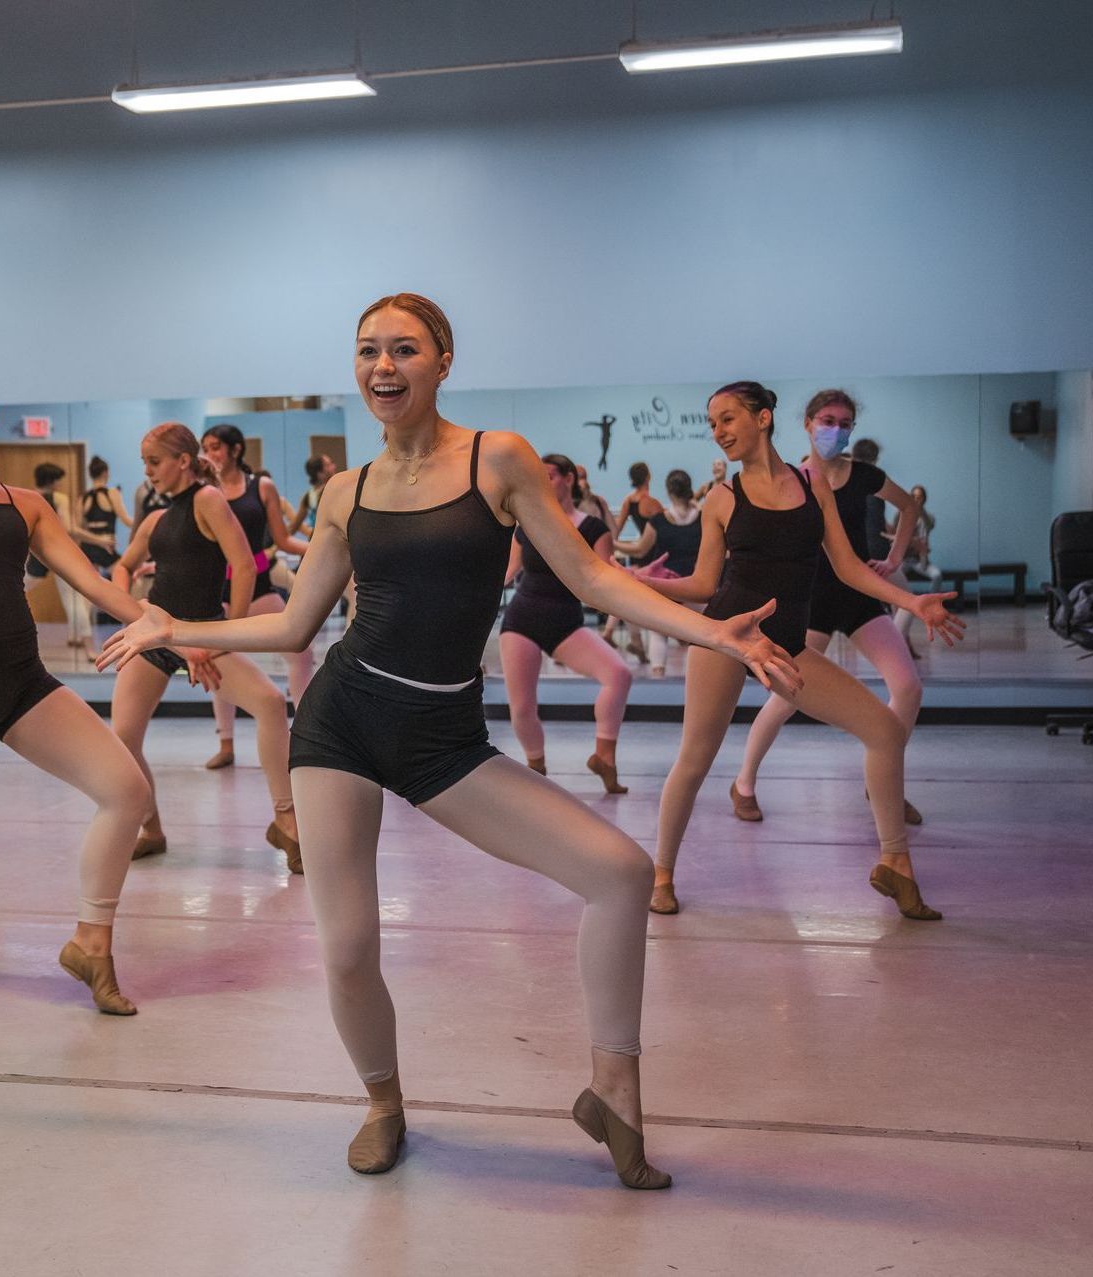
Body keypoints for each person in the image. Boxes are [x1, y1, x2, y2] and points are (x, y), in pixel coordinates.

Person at [100, 293, 798, 1184]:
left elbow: (589, 574)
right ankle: (384, 1103)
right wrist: (178, 628)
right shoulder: (346, 490)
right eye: (367, 351)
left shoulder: (494, 459)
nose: (382, 367)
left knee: (620, 875)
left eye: (403, 349)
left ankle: (612, 1088)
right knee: (349, 946)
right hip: (343, 722)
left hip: (443, 736)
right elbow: (294, 628)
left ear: (442, 361)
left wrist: (713, 631)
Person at [634, 381, 963, 918]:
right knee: (695, 760)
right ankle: (662, 872)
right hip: (727, 638)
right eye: (712, 423)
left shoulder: (813, 487)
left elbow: (848, 566)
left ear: (763, 418)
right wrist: (635, 581)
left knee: (882, 730)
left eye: (727, 419)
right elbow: (701, 586)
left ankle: (896, 863)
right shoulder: (722, 499)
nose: (718, 432)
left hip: (785, 643)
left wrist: (913, 601)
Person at [0, 366, 157, 1015]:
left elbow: (96, 586)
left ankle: (90, 944)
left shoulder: (26, 504)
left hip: (20, 680)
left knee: (126, 791)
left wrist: (169, 633)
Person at [109, 423, 302, 872]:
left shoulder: (208, 500)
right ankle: (150, 827)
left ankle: (286, 821)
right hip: (156, 639)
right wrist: (137, 610)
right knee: (123, 739)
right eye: (144, 463)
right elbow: (123, 565)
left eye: (153, 462)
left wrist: (222, 637)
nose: (147, 471)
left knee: (271, 703)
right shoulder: (156, 518)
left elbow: (244, 565)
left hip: (199, 635)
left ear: (181, 461)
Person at [733, 391, 931, 825]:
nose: (836, 430)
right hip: (810, 602)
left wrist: (895, 558)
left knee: (909, 688)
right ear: (807, 423)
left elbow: (910, 507)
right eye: (828, 420)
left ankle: (885, 778)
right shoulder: (793, 480)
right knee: (786, 699)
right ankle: (743, 782)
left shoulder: (864, 476)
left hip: (858, 596)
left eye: (845, 423)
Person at [500, 453, 632, 792]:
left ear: (569, 479)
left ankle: (605, 756)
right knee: (523, 706)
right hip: (522, 618)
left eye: (551, 476)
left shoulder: (593, 528)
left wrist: (638, 584)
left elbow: (602, 580)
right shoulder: (527, 523)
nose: (545, 483)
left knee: (618, 674)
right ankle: (536, 768)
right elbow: (507, 573)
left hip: (566, 622)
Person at [199, 424, 313, 772]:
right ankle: (226, 743)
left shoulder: (260, 487)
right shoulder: (203, 491)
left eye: (216, 447)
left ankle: (309, 734)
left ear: (235, 450)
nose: (210, 454)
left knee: (301, 652)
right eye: (206, 448)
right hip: (218, 593)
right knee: (220, 667)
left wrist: (327, 550)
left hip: (260, 589)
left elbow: (282, 539)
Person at [614, 468, 703, 677]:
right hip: (696, 585)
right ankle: (696, 681)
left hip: (666, 586)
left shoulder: (659, 521)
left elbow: (640, 549)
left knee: (659, 633)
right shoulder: (704, 518)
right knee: (700, 637)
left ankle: (657, 676)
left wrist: (613, 542)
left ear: (668, 491)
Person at [25, 461, 98, 659]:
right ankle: (89, 648)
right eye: (58, 480)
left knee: (16, 589)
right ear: (52, 480)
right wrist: (99, 539)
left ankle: (74, 637)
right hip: (58, 552)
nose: (60, 484)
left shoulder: (28, 497)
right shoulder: (60, 499)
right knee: (74, 600)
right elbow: (68, 528)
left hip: (36, 552)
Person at [606, 462, 664, 661]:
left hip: (639, 551)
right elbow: (665, 531)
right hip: (652, 554)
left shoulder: (628, 501)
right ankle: (635, 641)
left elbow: (615, 530)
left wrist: (613, 546)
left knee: (628, 594)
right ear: (648, 477)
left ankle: (618, 635)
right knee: (634, 598)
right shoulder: (653, 503)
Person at [79, 455, 134, 571]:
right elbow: (125, 519)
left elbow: (78, 528)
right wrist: (146, 525)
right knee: (126, 576)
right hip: (105, 545)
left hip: (87, 547)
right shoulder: (112, 493)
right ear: (105, 473)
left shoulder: (82, 498)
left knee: (92, 586)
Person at [289, 453, 337, 536]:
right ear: (320, 473)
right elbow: (295, 526)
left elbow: (294, 527)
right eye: (329, 465)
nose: (334, 467)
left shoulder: (309, 496)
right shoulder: (330, 490)